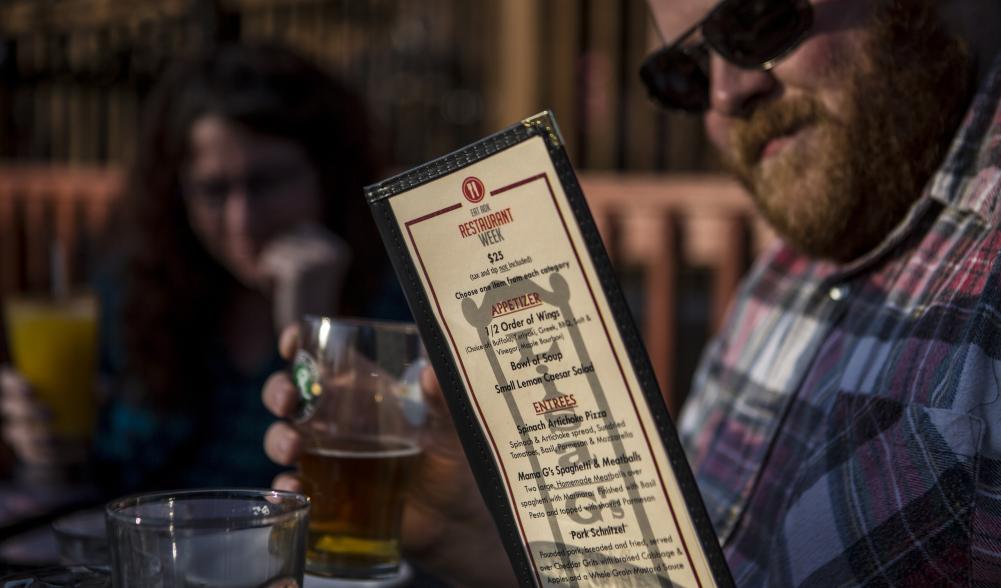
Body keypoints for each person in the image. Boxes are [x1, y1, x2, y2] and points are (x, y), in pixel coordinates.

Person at [263, 0, 1001, 585]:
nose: (725, 92)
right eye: (683, 72)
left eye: (755, 20)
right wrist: (505, 548)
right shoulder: (786, 270)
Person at [1, 42, 408, 494]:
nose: (243, 221)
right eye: (213, 191)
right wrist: (47, 447)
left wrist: (315, 332)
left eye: (267, 181)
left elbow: (355, 492)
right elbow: (90, 479)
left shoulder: (396, 301)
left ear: (327, 173)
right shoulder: (140, 287)